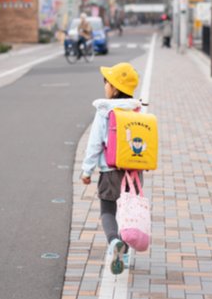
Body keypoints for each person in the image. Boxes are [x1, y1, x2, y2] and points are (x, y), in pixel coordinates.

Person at [80, 62, 142, 275]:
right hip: (134, 173)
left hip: (109, 171)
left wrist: (86, 170)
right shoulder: (137, 109)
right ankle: (124, 253)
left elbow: (95, 142)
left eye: (107, 82)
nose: (105, 84)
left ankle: (114, 240)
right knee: (127, 213)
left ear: (114, 88)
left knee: (108, 210)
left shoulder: (105, 111)